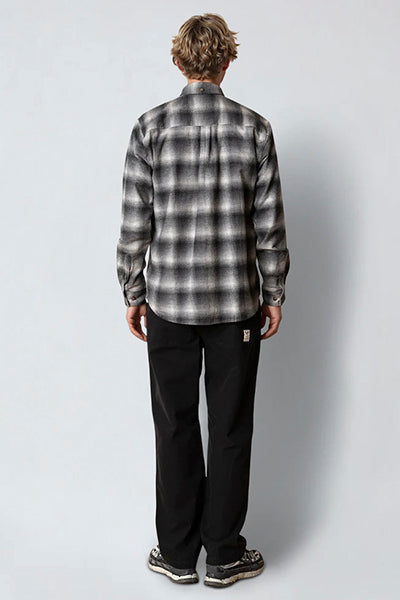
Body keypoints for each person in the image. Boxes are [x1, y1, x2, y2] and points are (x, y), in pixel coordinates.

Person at [116, 13, 290, 587]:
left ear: (178, 61)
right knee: (231, 428)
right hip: (236, 305)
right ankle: (223, 556)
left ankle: (175, 553)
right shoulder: (254, 128)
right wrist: (274, 290)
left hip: (168, 304)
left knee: (174, 426)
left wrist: (133, 290)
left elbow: (135, 224)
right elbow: (269, 226)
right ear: (228, 62)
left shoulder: (150, 127)